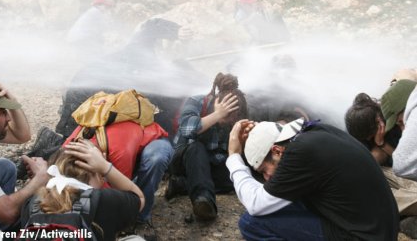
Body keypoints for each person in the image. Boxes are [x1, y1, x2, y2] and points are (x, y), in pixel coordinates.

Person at [227, 118, 398, 240]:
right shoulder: (313, 132)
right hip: (377, 229)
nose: (266, 177)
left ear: (277, 150)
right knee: (277, 205)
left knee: (251, 223)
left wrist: (234, 157)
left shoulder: (299, 154)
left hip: (360, 235)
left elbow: (256, 204)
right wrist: (259, 135)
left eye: (264, 170)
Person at [21, 139, 145, 241]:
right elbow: (139, 198)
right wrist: (106, 168)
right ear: (97, 171)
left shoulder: (33, 202)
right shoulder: (104, 200)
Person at [167, 72, 248, 221]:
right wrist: (217, 115)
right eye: (226, 117)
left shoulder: (239, 111)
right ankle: (203, 201)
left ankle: (181, 184)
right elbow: (186, 128)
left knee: (239, 177)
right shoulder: (197, 101)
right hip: (187, 158)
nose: (226, 122)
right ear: (217, 103)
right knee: (197, 148)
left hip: (213, 162)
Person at [345, 92, 417, 238]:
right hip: (391, 174)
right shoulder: (363, 134)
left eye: (370, 134)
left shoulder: (396, 119)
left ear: (380, 121)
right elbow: (368, 163)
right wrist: (379, 146)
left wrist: (382, 144)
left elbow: (406, 161)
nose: (368, 138)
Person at [0, 83, 49, 231]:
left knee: (5, 167)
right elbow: (8, 212)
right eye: (2, 111)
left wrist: (13, 101)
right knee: (13, 214)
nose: (9, 118)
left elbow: (22, 135)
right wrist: (39, 179)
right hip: (7, 212)